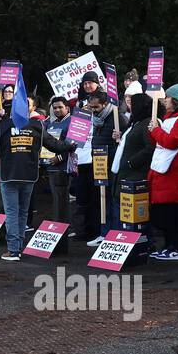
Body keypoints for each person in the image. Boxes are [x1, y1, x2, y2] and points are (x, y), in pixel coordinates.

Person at [0, 97, 73, 261]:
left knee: (12, 212)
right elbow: (54, 145)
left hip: (9, 174)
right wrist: (71, 144)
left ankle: (14, 250)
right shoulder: (37, 125)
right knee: (22, 211)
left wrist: (7, 151)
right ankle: (17, 248)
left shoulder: (3, 125)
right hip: (29, 175)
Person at [148, 83, 178, 261]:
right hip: (166, 171)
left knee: (172, 213)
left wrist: (156, 131)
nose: (164, 101)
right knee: (166, 213)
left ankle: (174, 247)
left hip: (173, 173)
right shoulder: (174, 116)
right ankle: (168, 246)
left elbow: (174, 140)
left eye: (167, 98)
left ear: (175, 100)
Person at [71, 88, 116, 246]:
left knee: (102, 200)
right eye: (90, 107)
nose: (92, 111)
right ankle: (91, 230)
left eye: (95, 107)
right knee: (86, 199)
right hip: (89, 163)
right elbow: (74, 140)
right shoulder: (86, 117)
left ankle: (103, 231)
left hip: (105, 165)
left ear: (105, 104)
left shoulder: (115, 119)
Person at [114, 92, 156, 244]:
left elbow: (150, 148)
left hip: (136, 176)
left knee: (138, 216)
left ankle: (144, 243)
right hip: (127, 175)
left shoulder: (146, 124)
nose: (130, 106)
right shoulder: (136, 123)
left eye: (133, 103)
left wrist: (132, 162)